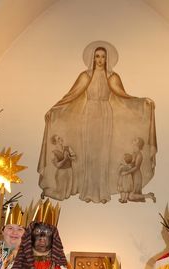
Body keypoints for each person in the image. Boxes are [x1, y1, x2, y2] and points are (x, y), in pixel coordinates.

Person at [38, 40, 157, 203]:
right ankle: (87, 191)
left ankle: (102, 193)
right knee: (89, 153)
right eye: (97, 57)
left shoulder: (112, 76)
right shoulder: (85, 76)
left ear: (107, 59)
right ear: (92, 58)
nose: (100, 60)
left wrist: (143, 102)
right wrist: (54, 109)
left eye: (103, 57)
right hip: (89, 113)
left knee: (103, 154)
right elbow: (71, 95)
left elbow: (123, 96)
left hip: (105, 114)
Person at [50, 134, 76, 200]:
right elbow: (58, 165)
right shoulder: (53, 153)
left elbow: (74, 157)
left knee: (67, 195)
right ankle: (46, 193)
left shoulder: (68, 148)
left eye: (60, 137)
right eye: (58, 139)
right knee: (61, 196)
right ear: (55, 142)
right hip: (61, 173)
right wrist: (65, 159)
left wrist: (69, 157)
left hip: (69, 170)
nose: (61, 139)